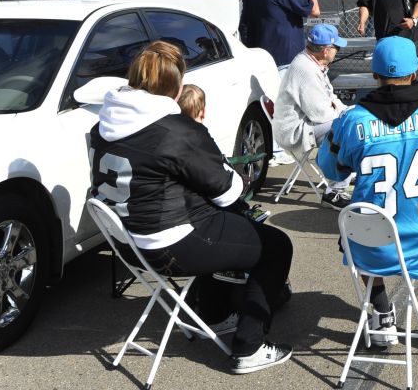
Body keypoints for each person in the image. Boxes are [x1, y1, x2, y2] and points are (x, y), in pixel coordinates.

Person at [88, 41, 295, 374]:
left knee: (219, 224)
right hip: (170, 246)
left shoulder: (102, 125)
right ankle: (249, 346)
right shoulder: (175, 130)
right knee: (276, 245)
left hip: (128, 245)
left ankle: (214, 313)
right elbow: (229, 191)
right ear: (176, 86)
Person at [316, 36, 418, 348]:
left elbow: (330, 168)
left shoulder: (352, 119)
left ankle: (382, 316)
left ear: (375, 74)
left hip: (373, 243)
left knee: (354, 231)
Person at [275, 24, 355, 209]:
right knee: (344, 129)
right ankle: (334, 191)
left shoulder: (313, 62)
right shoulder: (306, 70)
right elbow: (321, 113)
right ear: (326, 50)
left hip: (306, 122)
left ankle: (346, 171)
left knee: (351, 119)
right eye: (337, 47)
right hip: (295, 131)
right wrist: (344, 114)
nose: (338, 51)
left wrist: (347, 111)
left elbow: (330, 98)